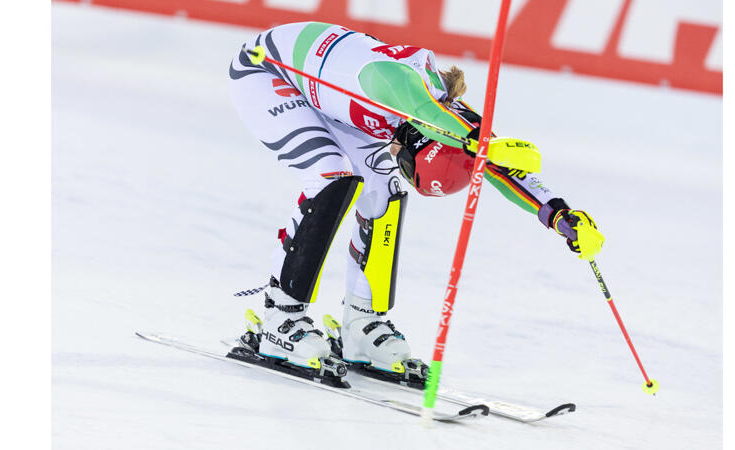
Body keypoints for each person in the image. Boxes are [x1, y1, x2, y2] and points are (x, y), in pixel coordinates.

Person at [228, 22, 602, 381]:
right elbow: (427, 115)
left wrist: (559, 214)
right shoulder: (398, 87)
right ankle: (281, 316)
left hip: (333, 100)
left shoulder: (447, 116)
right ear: (420, 143)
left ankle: (362, 322)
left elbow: (497, 165)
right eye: (407, 163)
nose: (398, 159)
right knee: (331, 175)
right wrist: (475, 142)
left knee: (383, 191)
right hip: (266, 72)